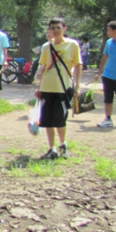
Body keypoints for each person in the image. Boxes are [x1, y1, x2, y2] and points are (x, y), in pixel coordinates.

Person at [34, 18, 81, 159]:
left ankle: (62, 144)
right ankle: (51, 148)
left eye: (58, 27)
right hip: (47, 88)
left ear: (64, 28)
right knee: (47, 120)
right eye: (52, 28)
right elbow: (43, 67)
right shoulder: (47, 47)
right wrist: (39, 87)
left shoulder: (72, 45)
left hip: (62, 88)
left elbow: (78, 66)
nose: (55, 30)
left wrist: (77, 86)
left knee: (60, 120)